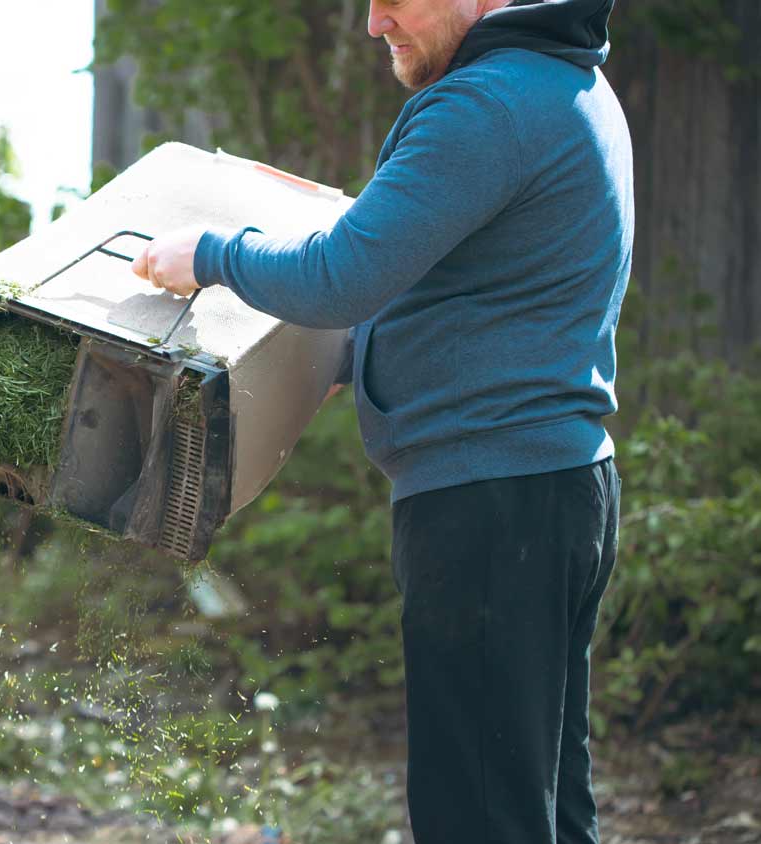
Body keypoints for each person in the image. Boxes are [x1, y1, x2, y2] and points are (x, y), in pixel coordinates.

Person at [131, 1, 631, 841]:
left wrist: (210, 254)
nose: (374, 22)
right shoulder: (567, 82)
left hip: (489, 503)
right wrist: (357, 362)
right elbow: (470, 283)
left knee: (477, 816)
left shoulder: (485, 103)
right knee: (541, 802)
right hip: (552, 488)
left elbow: (344, 275)